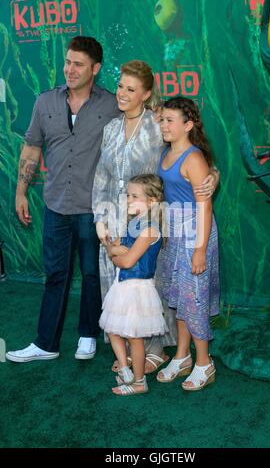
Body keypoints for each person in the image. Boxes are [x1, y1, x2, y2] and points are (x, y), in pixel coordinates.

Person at [92, 60, 219, 374]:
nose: (121, 93)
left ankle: (155, 349)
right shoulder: (109, 128)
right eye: (120, 86)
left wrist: (212, 175)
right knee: (119, 285)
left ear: (146, 94)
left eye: (130, 89)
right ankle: (127, 350)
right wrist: (99, 217)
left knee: (151, 284)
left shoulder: (157, 123)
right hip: (114, 218)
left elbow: (191, 154)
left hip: (151, 220)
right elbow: (101, 177)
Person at [6, 36, 120, 363]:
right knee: (56, 274)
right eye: (68, 62)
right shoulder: (45, 103)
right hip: (56, 205)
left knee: (91, 273)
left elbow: (145, 128)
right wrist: (20, 192)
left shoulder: (111, 104)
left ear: (95, 68)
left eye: (78, 64)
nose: (70, 69)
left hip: (93, 209)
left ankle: (88, 334)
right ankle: (46, 343)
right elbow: (31, 149)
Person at [156, 97, 220, 390]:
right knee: (180, 297)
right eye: (162, 119)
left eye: (170, 120)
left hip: (196, 234)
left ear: (188, 124)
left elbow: (204, 207)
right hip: (175, 234)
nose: (164, 125)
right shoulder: (166, 153)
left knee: (193, 298)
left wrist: (199, 250)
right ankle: (182, 356)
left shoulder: (193, 158)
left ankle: (204, 363)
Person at [99, 174, 168, 395]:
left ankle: (139, 382)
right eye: (128, 195)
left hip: (138, 288)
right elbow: (113, 247)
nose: (128, 199)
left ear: (152, 201)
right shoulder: (133, 225)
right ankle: (127, 371)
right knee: (112, 329)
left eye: (134, 196)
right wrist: (115, 250)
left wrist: (117, 253)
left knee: (133, 337)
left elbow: (127, 260)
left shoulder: (150, 229)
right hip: (122, 286)